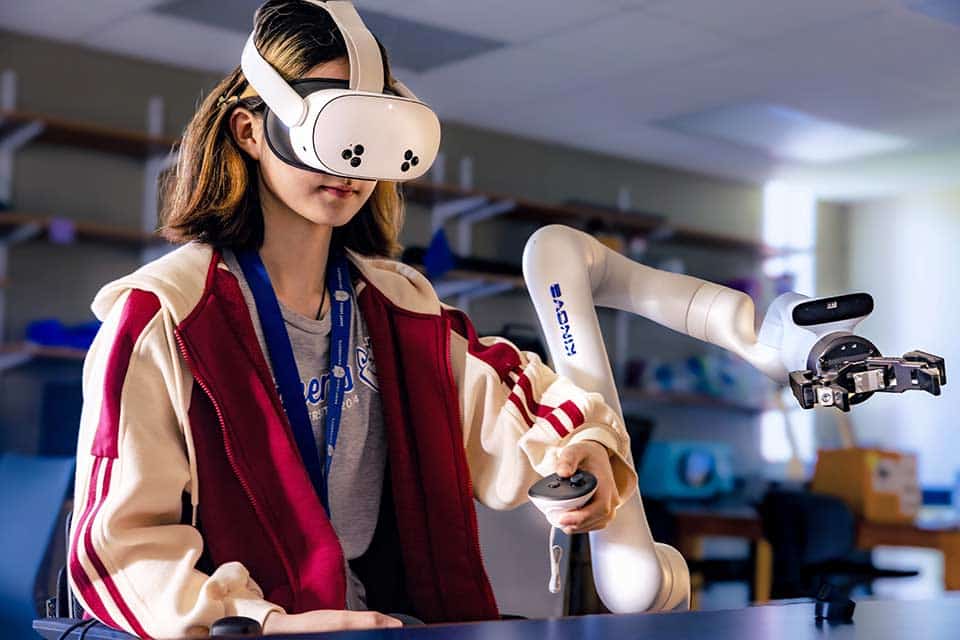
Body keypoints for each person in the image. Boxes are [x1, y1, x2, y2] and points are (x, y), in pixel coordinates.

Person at [67, 1, 636, 637]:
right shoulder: (163, 318)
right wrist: (262, 624)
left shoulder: (402, 309)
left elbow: (524, 400)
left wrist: (582, 448)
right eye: (327, 128)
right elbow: (116, 551)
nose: (346, 163)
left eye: (369, 133)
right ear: (248, 132)